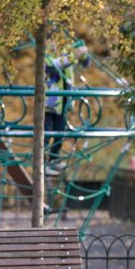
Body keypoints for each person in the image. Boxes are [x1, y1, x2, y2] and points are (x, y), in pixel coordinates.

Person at [43, 45, 89, 176]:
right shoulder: (46, 51)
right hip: (48, 101)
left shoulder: (66, 49)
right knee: (45, 134)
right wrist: (75, 55)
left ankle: (53, 158)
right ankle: (42, 164)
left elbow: (83, 65)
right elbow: (54, 65)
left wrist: (83, 54)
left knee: (60, 132)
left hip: (63, 100)